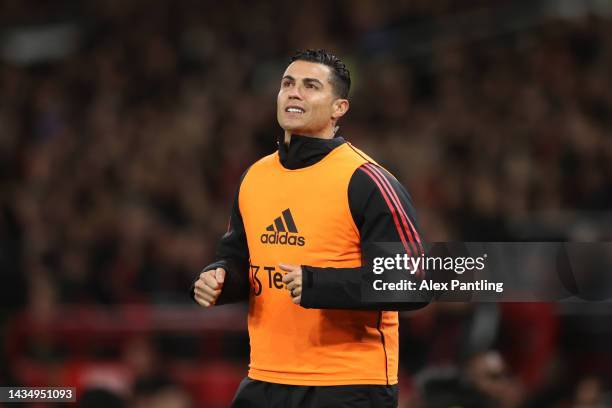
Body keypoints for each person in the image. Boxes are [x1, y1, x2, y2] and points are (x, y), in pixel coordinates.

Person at [191, 49, 429, 408]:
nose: (294, 92)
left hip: (347, 385)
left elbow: (414, 282)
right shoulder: (255, 176)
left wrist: (320, 284)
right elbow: (238, 259)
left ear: (339, 108)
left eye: (311, 86)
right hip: (264, 378)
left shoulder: (366, 180)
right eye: (288, 83)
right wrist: (220, 277)